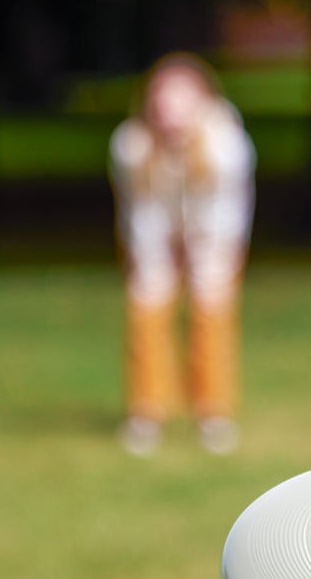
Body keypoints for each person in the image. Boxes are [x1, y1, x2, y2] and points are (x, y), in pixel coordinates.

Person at [109, 53, 256, 456]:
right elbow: (140, 212)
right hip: (153, 237)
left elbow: (227, 212)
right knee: (146, 309)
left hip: (214, 238)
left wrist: (203, 256)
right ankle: (146, 412)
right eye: (162, 102)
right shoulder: (131, 145)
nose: (170, 113)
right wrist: (156, 261)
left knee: (211, 313)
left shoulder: (226, 145)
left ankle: (213, 413)